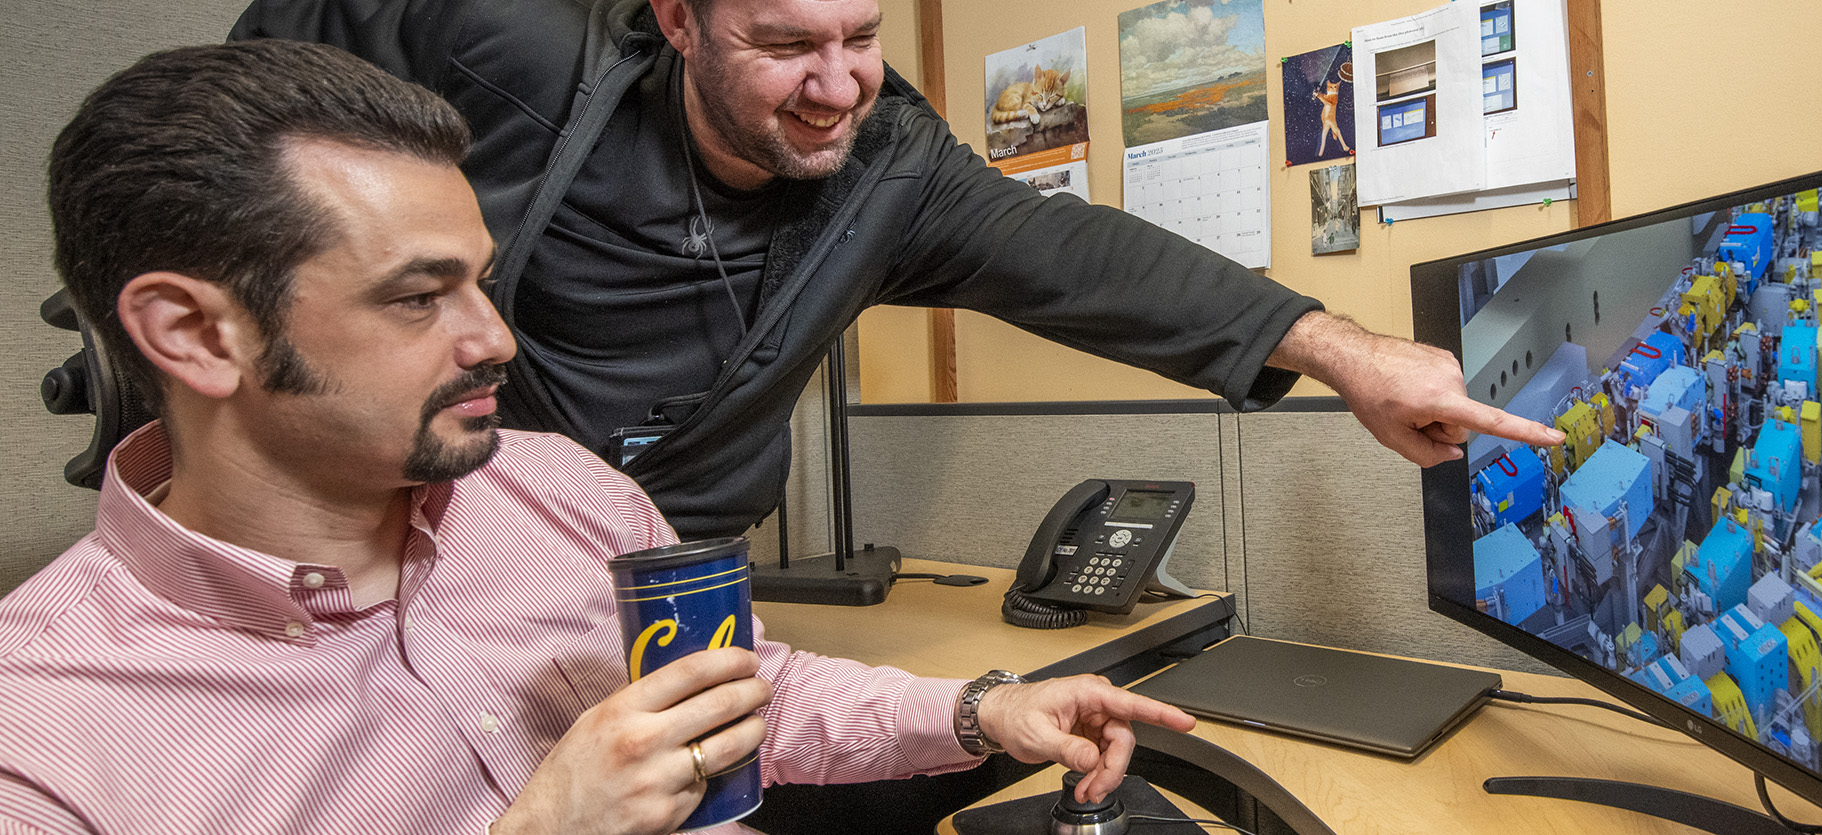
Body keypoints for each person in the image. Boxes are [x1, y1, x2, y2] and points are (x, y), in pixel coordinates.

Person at [0, 39, 1194, 835]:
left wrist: (979, 711)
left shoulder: (555, 489)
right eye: (417, 298)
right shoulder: (39, 741)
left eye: (480, 282)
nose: (495, 340)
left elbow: (736, 693)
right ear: (194, 334)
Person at [228, 0, 1566, 540]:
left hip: (680, 566)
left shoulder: (891, 169)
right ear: (678, 20)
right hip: (436, 542)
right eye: (784, 46)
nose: (836, 86)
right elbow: (264, 75)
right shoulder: (505, 46)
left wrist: (1345, 352)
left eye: (861, 36)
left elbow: (1082, 257)